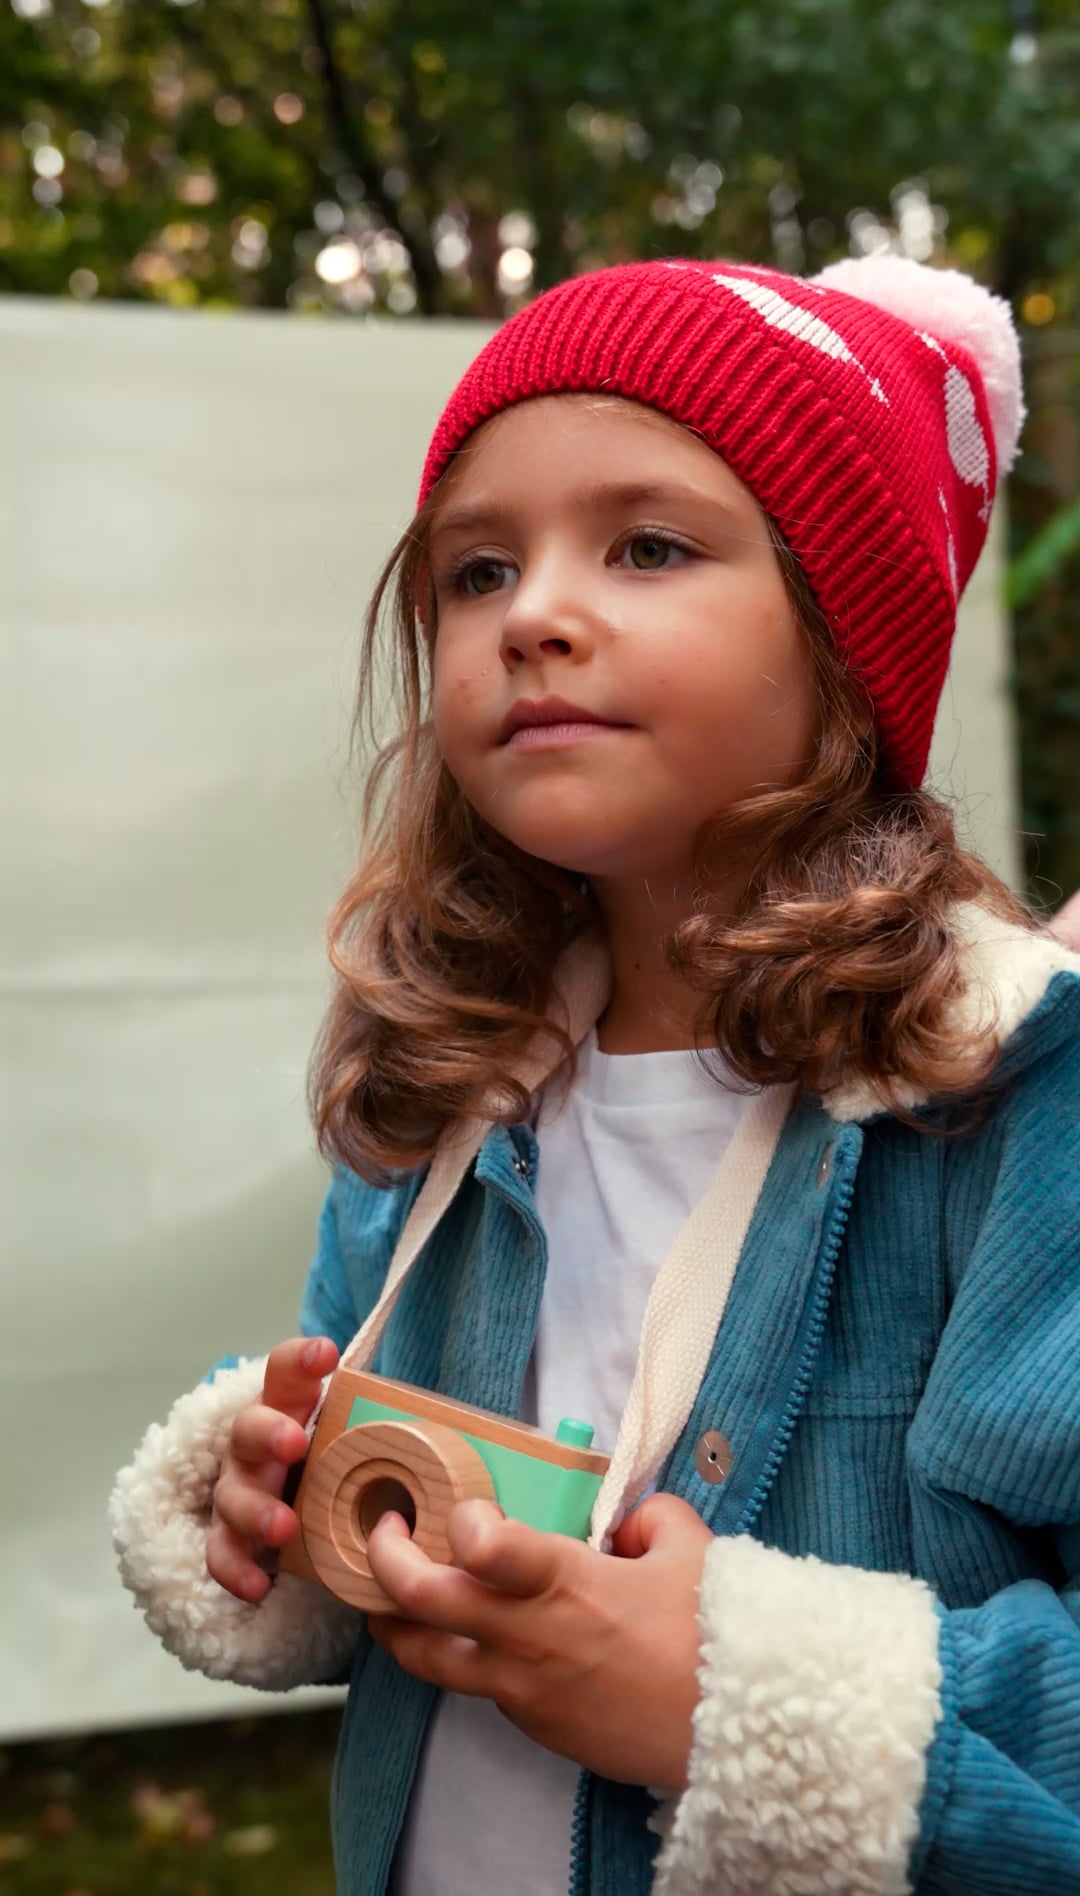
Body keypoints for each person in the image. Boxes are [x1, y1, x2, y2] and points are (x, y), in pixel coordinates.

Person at [110, 254, 1080, 1896]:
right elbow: (371, 1488)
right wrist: (285, 1510)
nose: (535, 615)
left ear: (846, 649)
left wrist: (729, 1700)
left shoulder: (1005, 1092)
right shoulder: (443, 1074)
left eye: (647, 545)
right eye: (477, 570)